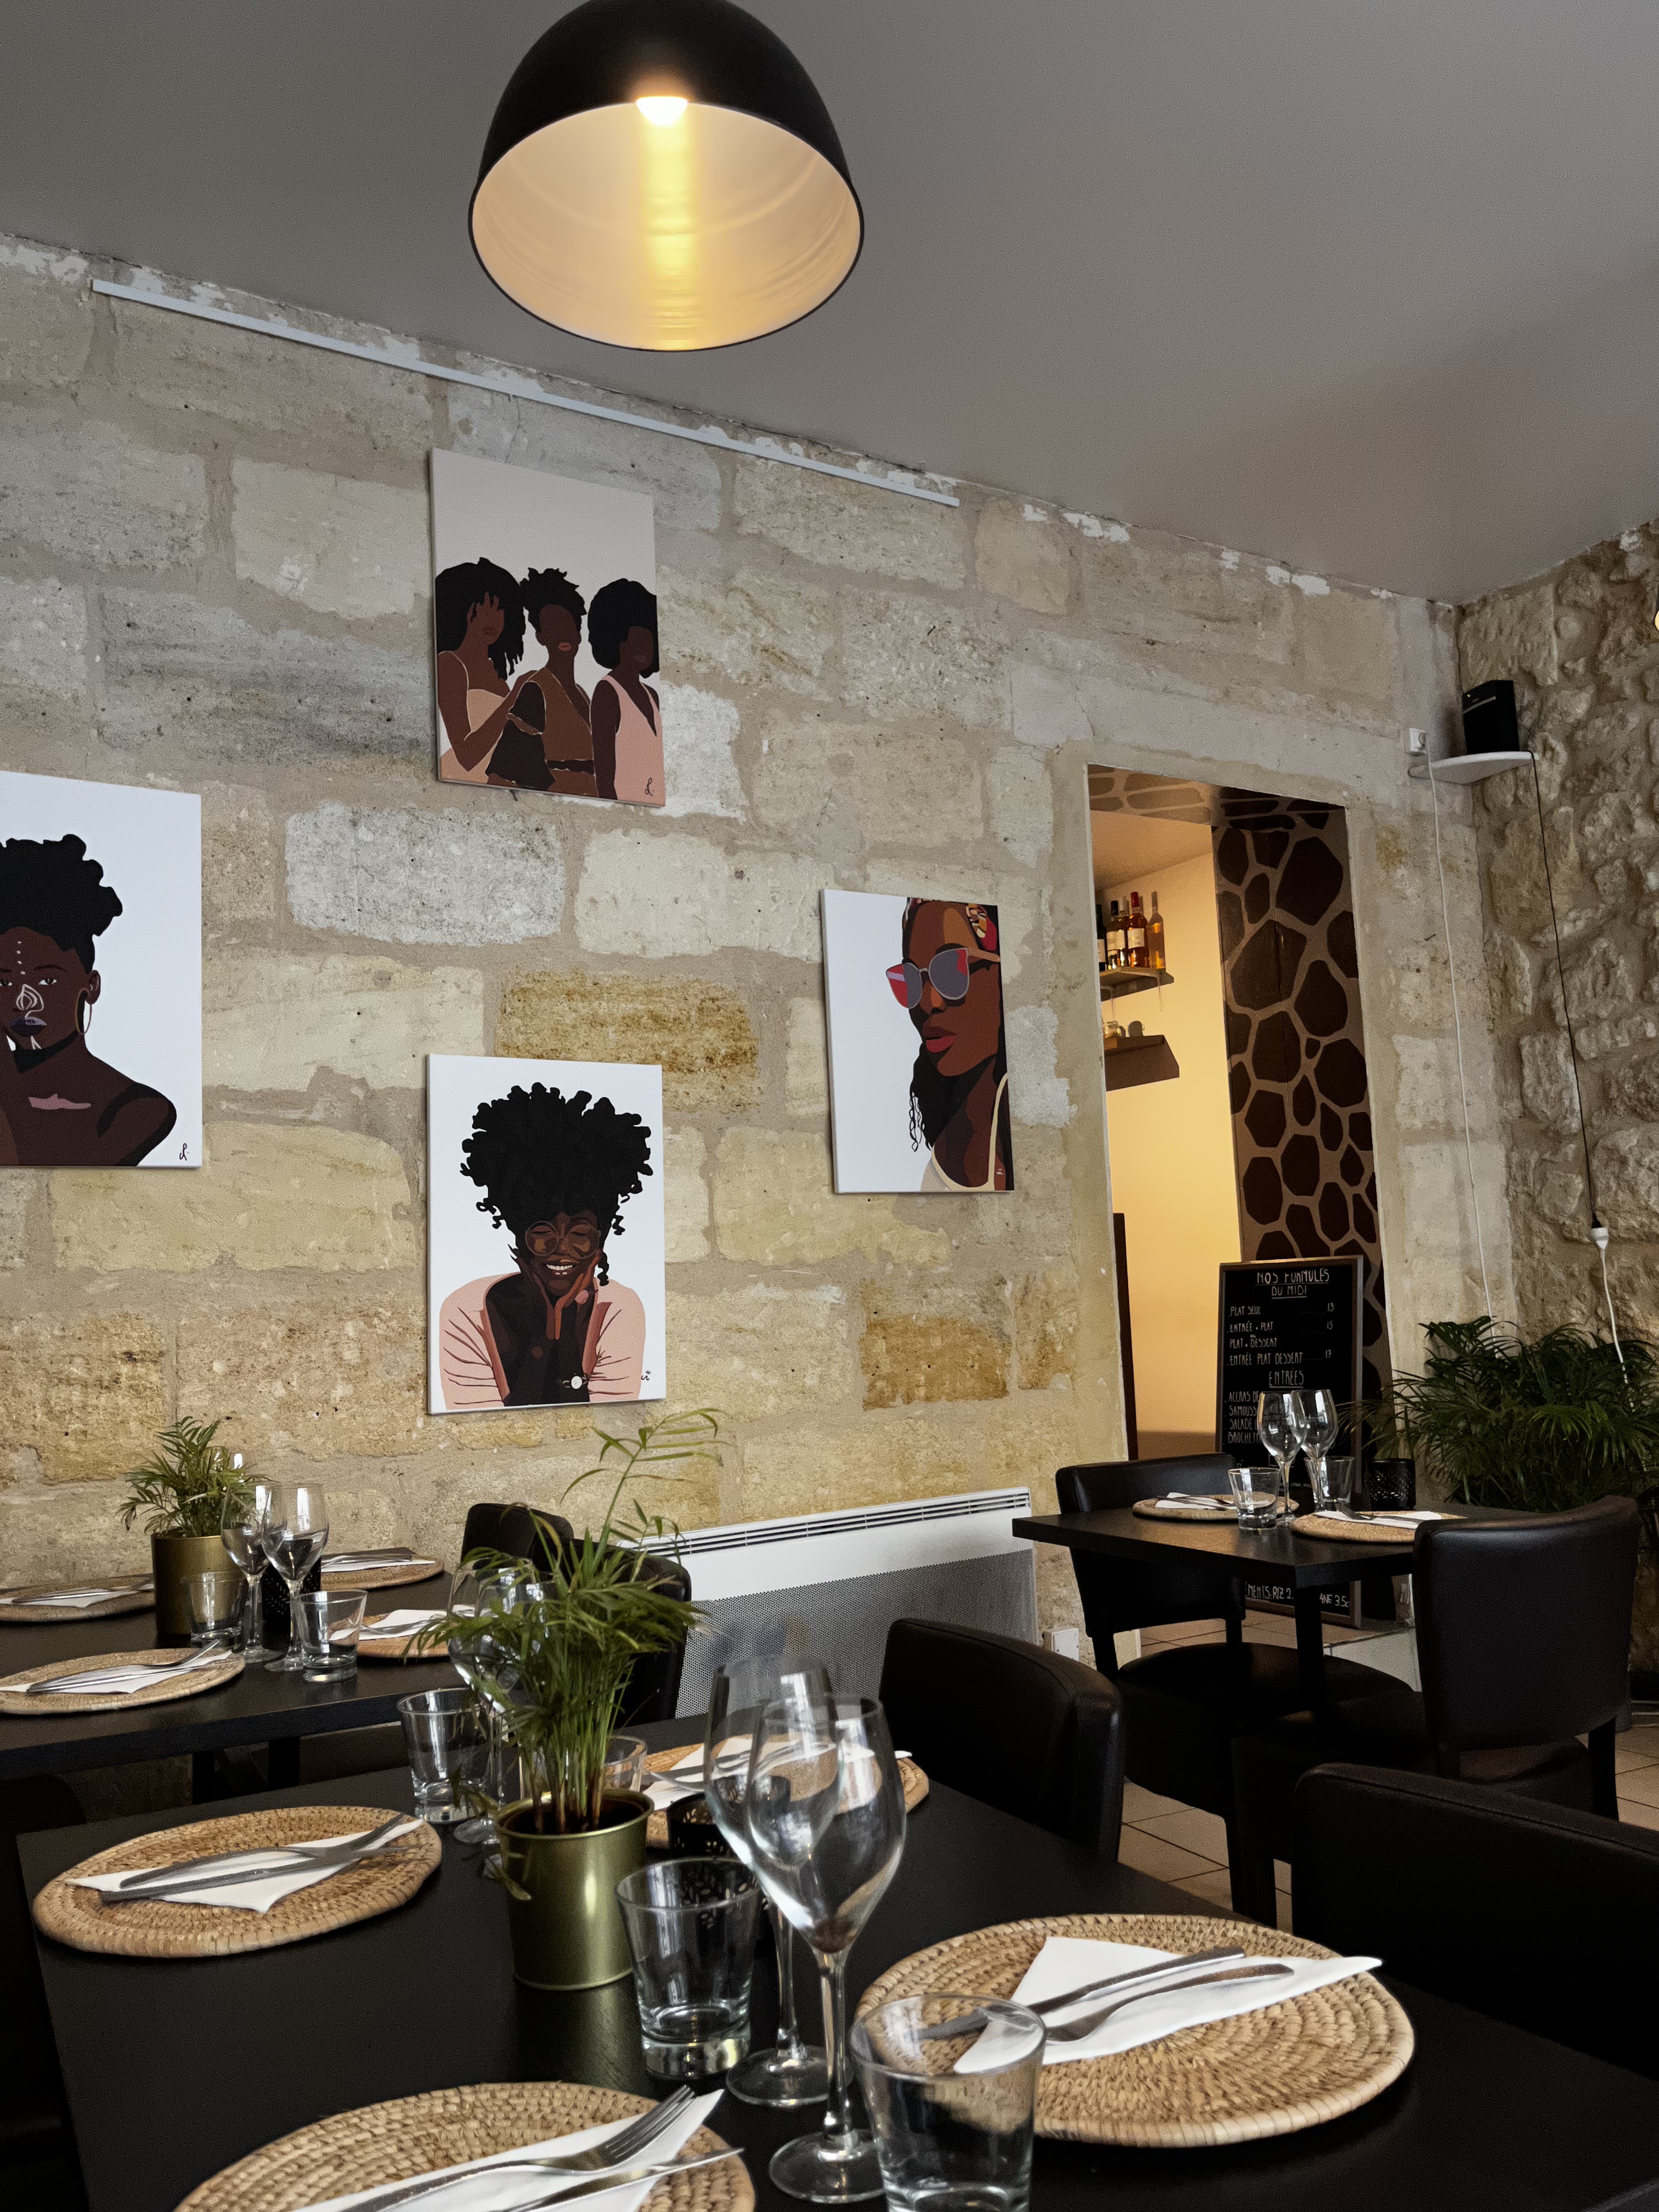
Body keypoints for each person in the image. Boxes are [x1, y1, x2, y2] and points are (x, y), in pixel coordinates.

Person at [438, 1083, 653, 1409]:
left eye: (580, 1234)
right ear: (517, 1232)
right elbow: (480, 1427)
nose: (561, 1248)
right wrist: (545, 1333)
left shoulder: (619, 1310)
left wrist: (564, 1336)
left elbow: (607, 1423)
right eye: (542, 1232)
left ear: (600, 1240)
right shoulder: (465, 1313)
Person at [0, 834, 177, 1166]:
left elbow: (28, 1167)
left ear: (91, 986)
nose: (24, 1000)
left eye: (47, 980)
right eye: (4, 982)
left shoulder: (136, 1109)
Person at [887, 898, 1013, 1192]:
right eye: (911, 980)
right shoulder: (945, 1162)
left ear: (1002, 975)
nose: (928, 1002)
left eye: (950, 971)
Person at [488, 567, 597, 796]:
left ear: (579, 633)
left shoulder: (582, 695)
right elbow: (506, 770)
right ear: (541, 637)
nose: (562, 635)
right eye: (552, 628)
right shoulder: (536, 690)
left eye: (568, 626)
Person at [434, 558, 537, 783]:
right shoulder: (449, 664)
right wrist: (514, 695)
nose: (491, 620)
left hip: (494, 783)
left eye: (499, 610)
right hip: (460, 780)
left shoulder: (496, 674)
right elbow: (467, 756)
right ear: (463, 610)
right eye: (481, 609)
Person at [588, 578, 665, 806]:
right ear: (619, 641)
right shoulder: (607, 692)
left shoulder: (653, 696)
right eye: (636, 640)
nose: (644, 649)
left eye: (649, 641)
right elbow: (604, 776)